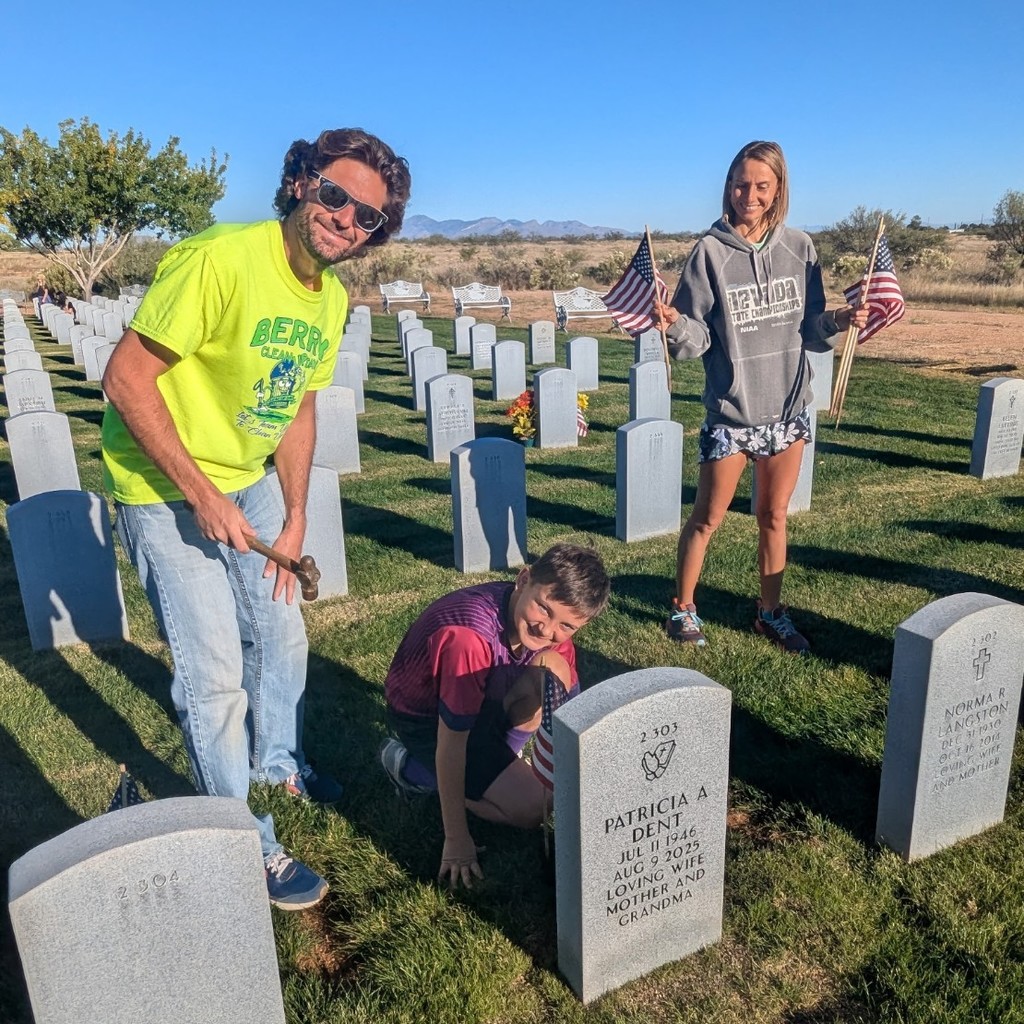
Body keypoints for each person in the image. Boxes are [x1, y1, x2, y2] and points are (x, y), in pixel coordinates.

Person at [101, 128, 411, 909]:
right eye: (335, 194)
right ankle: (245, 845)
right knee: (213, 679)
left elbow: (299, 407)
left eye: (367, 215)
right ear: (301, 183)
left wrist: (298, 512)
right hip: (164, 486)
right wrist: (201, 494)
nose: (346, 218)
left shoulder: (331, 297)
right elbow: (127, 379)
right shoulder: (221, 259)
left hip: (253, 482)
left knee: (281, 633)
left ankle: (278, 767)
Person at [653, 140, 868, 655]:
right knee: (707, 517)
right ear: (728, 186)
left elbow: (813, 328)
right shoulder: (709, 253)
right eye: (741, 183)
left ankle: (771, 614)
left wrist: (840, 319)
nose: (749, 194)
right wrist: (674, 323)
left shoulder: (801, 247)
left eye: (761, 185)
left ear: (778, 190)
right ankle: (682, 609)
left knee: (774, 517)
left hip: (788, 410)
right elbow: (698, 340)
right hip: (732, 413)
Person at [380, 543, 610, 888]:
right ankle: (409, 766)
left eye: (567, 626)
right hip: (427, 718)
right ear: (523, 579)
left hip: (487, 696)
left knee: (554, 669)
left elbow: (570, 718)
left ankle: (503, 756)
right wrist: (456, 840)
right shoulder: (468, 638)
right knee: (533, 808)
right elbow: (452, 741)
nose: (547, 631)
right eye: (543, 610)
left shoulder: (551, 636)